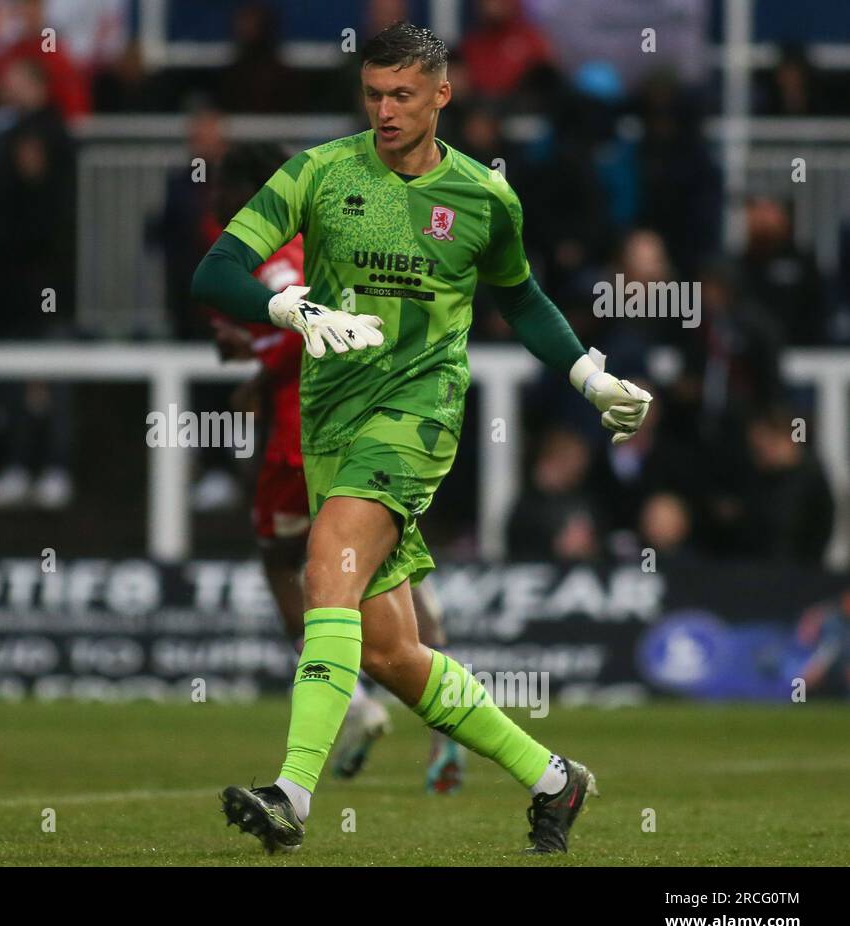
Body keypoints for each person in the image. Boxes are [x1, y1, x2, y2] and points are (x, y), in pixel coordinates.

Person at [192, 23, 651, 855]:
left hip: (418, 415)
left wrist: (589, 375)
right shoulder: (320, 172)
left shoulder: (484, 197)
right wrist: (287, 306)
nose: (385, 109)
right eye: (373, 93)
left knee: (326, 559)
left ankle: (291, 794)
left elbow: (524, 300)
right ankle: (555, 780)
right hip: (332, 417)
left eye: (402, 94)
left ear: (442, 94)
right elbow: (214, 270)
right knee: (395, 653)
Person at [209, 142, 466, 792]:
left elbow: (293, 328)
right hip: (374, 429)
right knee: (392, 572)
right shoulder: (335, 238)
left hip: (303, 438)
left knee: (283, 564)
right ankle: (448, 735)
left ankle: (349, 709)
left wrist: (255, 359)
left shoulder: (260, 258)